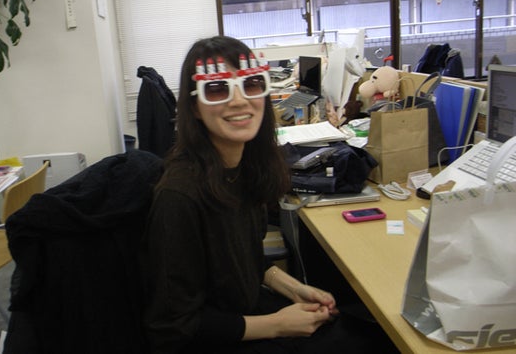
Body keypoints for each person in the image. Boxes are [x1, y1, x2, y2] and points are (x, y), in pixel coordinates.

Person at [141, 35, 397, 354]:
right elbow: (172, 327)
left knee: (370, 329)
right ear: (194, 107)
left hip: (248, 310)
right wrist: (277, 324)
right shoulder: (179, 197)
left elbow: (240, 260)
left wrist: (293, 287)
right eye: (217, 89)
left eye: (251, 84)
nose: (239, 101)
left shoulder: (245, 169)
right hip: (220, 339)